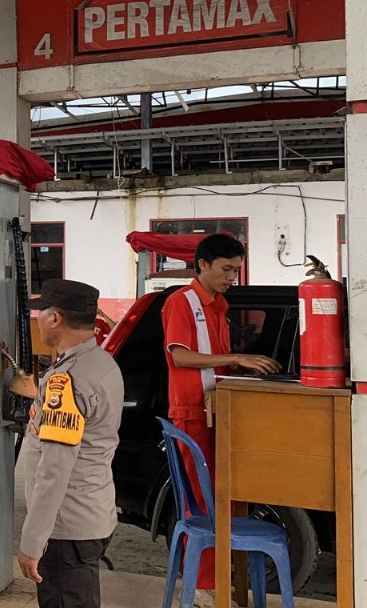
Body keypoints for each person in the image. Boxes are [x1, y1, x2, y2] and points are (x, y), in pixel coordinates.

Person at [161, 234, 280, 593]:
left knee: (223, 499)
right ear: (203, 265)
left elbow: (214, 362)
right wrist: (236, 358)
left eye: (236, 270)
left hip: (219, 412)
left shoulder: (219, 305)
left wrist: (241, 367)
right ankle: (203, 588)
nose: (232, 277)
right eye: (226, 269)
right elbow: (180, 356)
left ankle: (221, 582)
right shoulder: (182, 301)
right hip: (193, 412)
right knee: (202, 504)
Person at [17, 280, 124, 608]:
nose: (37, 320)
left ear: (55, 318)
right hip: (91, 513)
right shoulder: (101, 363)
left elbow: (54, 470)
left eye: (40, 313)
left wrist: (32, 541)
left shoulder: (67, 380)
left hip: (66, 528)